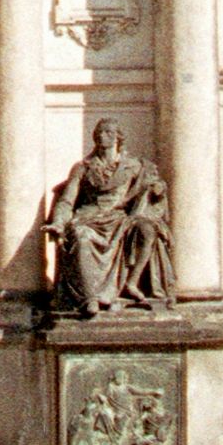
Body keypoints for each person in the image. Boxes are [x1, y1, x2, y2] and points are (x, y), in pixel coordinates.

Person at [38, 117, 174, 315]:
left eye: (108, 132)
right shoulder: (83, 168)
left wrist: (158, 188)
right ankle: (89, 298)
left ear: (118, 137)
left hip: (120, 219)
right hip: (88, 217)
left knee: (147, 230)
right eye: (99, 133)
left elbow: (152, 185)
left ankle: (132, 282)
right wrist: (58, 223)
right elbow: (67, 200)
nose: (103, 136)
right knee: (81, 236)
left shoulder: (135, 166)